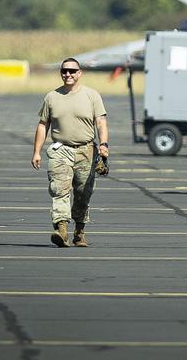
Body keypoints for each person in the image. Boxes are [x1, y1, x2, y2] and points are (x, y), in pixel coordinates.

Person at [31, 58, 110, 247]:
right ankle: (61, 229)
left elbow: (101, 122)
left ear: (79, 73)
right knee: (60, 190)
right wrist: (36, 151)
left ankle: (79, 231)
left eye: (72, 71)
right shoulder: (51, 97)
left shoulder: (92, 95)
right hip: (60, 150)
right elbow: (43, 125)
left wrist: (104, 144)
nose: (68, 74)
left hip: (86, 150)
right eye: (64, 71)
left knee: (83, 193)